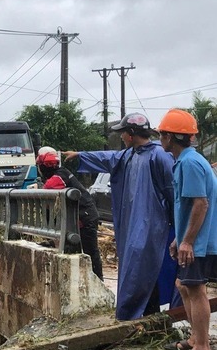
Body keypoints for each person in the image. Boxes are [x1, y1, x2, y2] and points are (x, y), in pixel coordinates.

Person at [63, 112, 176, 320]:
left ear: (131, 134)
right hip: (134, 225)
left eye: (123, 133)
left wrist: (174, 224)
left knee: (145, 267)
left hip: (153, 226)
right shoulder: (128, 156)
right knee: (138, 268)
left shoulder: (159, 156)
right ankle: (146, 316)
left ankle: (140, 315)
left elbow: (172, 191)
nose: (121, 138)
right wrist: (81, 155)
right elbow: (107, 158)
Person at [158, 109, 217, 350]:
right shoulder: (187, 160)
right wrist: (178, 238)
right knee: (183, 285)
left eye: (161, 134)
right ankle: (195, 339)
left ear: (170, 137)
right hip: (195, 238)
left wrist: (188, 241)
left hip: (200, 242)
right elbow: (187, 205)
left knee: (195, 288)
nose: (160, 139)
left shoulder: (190, 163)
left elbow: (200, 204)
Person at [36, 149, 103, 280]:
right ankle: (84, 279)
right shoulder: (63, 173)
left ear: (42, 166)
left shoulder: (57, 178)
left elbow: (44, 194)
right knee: (77, 250)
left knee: (90, 251)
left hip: (85, 217)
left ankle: (98, 280)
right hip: (82, 216)